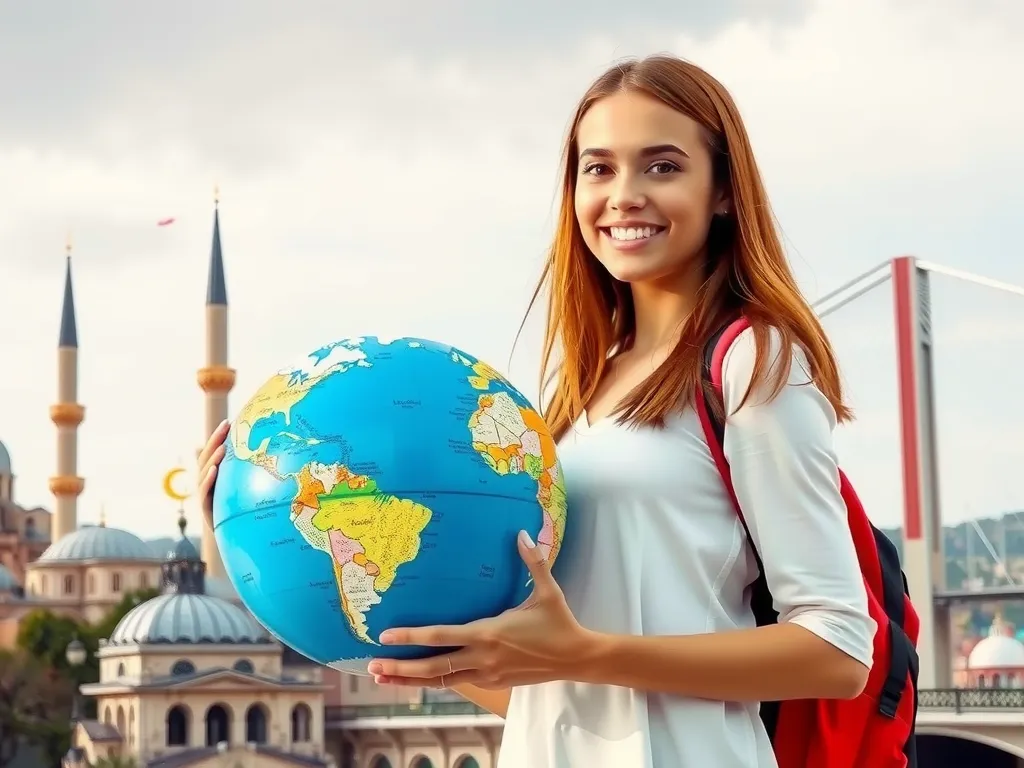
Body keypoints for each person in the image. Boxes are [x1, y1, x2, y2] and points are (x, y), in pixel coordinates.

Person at [197, 54, 876, 768]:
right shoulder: (578, 397)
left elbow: (837, 650)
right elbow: (556, 697)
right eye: (599, 169)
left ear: (723, 193)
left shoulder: (752, 360)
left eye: (663, 166)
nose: (625, 196)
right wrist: (262, 527)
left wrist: (589, 651)